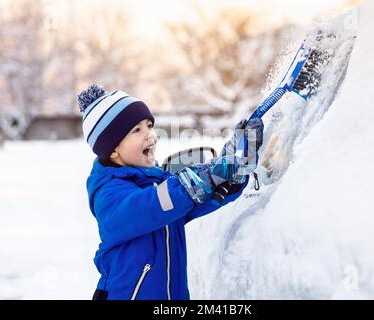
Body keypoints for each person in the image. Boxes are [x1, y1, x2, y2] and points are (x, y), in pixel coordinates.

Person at [77, 84, 264, 300]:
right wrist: (199, 179)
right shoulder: (108, 195)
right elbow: (152, 206)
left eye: (149, 125)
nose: (150, 136)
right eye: (136, 130)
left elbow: (200, 197)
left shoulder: (160, 184)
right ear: (113, 150)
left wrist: (236, 164)